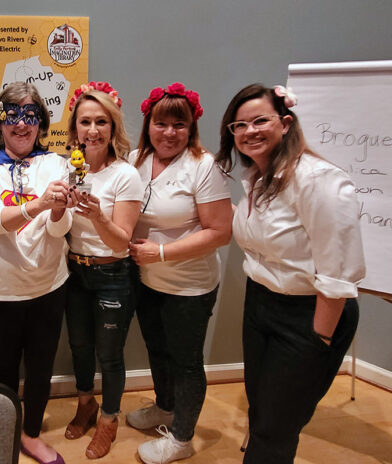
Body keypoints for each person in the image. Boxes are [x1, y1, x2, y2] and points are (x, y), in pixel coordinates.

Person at [215, 83, 365, 464]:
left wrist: (318, 340)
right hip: (261, 304)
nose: (250, 131)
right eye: (239, 125)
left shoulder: (318, 181)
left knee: (277, 425)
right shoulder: (256, 180)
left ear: (284, 123)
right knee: (261, 410)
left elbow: (337, 273)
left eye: (260, 121)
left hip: (310, 313)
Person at [0, 82, 72, 464]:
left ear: (41, 122)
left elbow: (60, 229)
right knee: (4, 364)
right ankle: (4, 428)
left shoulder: (57, 164)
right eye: (13, 116)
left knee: (41, 364)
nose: (22, 125)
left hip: (47, 284)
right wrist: (40, 203)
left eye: (31, 116)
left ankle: (31, 433)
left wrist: (57, 211)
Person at [126, 82, 233, 464]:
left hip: (190, 285)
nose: (169, 133)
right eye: (161, 123)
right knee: (157, 348)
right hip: (147, 281)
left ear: (191, 128)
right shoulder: (135, 159)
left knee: (186, 360)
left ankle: (182, 438)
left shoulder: (203, 166)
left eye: (179, 125)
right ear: (148, 124)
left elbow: (221, 232)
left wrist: (162, 252)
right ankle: (165, 406)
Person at [63, 81, 143, 460]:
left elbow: (121, 242)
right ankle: (86, 405)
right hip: (74, 274)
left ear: (113, 128)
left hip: (112, 276)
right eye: (84, 122)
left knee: (109, 355)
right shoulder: (67, 169)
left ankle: (109, 420)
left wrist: (96, 215)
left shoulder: (125, 175)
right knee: (79, 348)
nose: (92, 130)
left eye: (100, 122)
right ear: (74, 128)